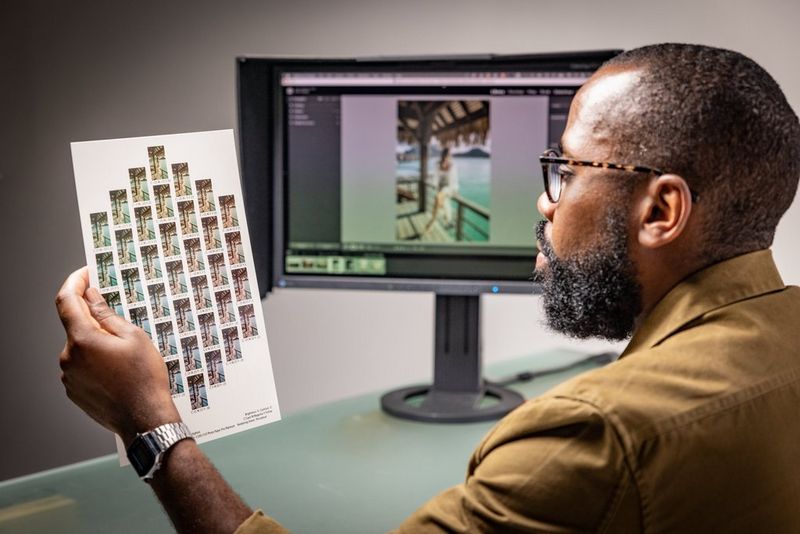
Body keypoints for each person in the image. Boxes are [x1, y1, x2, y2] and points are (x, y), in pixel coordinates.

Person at [56, 43, 800, 532]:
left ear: (662, 210)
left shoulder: (593, 433)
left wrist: (154, 425)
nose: (545, 201)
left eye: (566, 171)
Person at [424, 146, 459, 234]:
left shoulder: (452, 166)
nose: (448, 158)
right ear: (443, 156)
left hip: (451, 188)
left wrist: (448, 192)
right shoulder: (437, 164)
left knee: (438, 197)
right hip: (441, 188)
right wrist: (435, 185)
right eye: (446, 156)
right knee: (437, 200)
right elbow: (435, 178)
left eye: (449, 156)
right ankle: (448, 219)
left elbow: (452, 183)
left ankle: (432, 222)